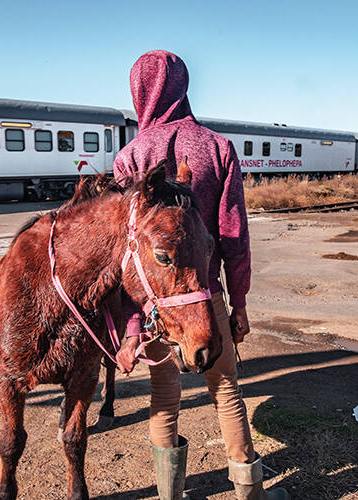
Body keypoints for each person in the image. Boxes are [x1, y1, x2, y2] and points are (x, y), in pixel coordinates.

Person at [112, 50, 288, 500]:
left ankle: (171, 495)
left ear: (139, 91)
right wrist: (239, 302)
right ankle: (251, 493)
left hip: (156, 304)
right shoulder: (216, 146)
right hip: (206, 299)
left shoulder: (131, 156)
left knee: (165, 396)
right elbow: (234, 236)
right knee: (226, 390)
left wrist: (132, 326)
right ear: (183, 88)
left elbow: (126, 256)